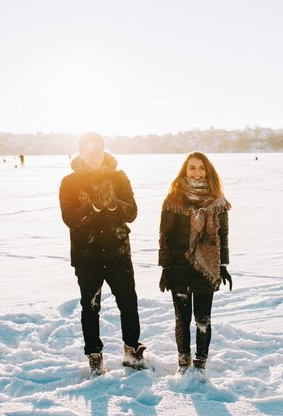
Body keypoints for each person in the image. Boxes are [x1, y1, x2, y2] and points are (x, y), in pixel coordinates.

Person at [59, 132, 146, 376]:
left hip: (118, 252)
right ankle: (94, 355)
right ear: (81, 153)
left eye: (98, 151)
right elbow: (69, 218)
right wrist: (92, 206)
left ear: (103, 151)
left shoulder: (118, 177)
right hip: (87, 257)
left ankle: (132, 350)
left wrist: (115, 205)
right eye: (89, 152)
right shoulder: (70, 182)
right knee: (90, 306)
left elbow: (132, 213)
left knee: (128, 302)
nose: (94, 156)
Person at [158, 151, 232, 375]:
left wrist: (222, 266)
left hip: (206, 268)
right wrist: (166, 268)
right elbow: (165, 235)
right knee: (182, 319)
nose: (197, 172)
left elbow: (223, 236)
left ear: (207, 171)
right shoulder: (173, 199)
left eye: (201, 168)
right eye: (192, 167)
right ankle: (183, 363)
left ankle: (200, 365)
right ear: (185, 170)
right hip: (179, 267)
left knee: (203, 319)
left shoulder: (217, 201)